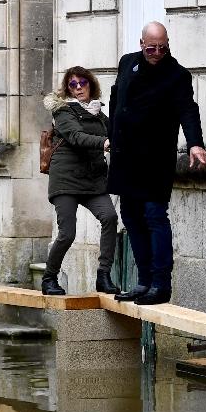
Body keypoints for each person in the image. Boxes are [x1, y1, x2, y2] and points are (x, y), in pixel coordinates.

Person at [107, 22, 206, 306]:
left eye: (161, 47)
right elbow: (117, 99)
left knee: (154, 215)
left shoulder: (176, 75)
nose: (156, 52)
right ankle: (144, 281)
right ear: (141, 43)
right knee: (130, 215)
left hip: (154, 158)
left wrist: (195, 144)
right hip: (126, 156)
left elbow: (188, 110)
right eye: (151, 47)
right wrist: (109, 136)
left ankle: (161, 284)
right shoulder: (127, 63)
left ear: (167, 43)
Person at [41, 66, 121, 296]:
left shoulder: (99, 113)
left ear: (91, 85)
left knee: (109, 217)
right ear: (68, 89)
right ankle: (49, 279)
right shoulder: (63, 111)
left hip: (93, 179)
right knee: (67, 233)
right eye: (72, 85)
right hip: (65, 179)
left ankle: (103, 276)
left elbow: (116, 131)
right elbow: (75, 136)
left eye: (82, 83)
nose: (78, 88)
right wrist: (104, 143)